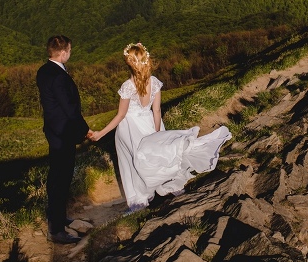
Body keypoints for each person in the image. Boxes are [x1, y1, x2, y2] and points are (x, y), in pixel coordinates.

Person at [90, 42, 232, 213]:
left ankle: (139, 200)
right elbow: (156, 110)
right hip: (150, 121)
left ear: (128, 64)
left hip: (130, 128)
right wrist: (157, 134)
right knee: (158, 155)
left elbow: (121, 115)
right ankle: (168, 186)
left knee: (133, 163)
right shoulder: (155, 82)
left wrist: (100, 133)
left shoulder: (127, 86)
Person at [36, 35, 96, 244]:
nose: (70, 53)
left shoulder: (44, 71)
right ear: (62, 53)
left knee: (57, 176)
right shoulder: (59, 77)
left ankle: (59, 217)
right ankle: (57, 230)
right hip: (64, 133)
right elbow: (70, 109)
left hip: (53, 131)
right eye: (69, 50)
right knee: (61, 179)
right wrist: (85, 130)